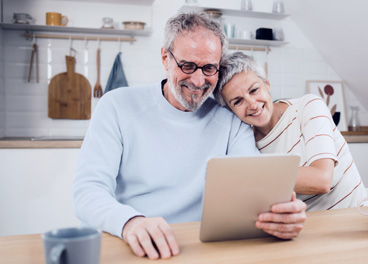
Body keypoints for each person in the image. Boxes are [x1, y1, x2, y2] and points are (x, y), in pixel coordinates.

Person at [72, 12, 306, 260]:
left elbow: (255, 189)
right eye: (187, 66)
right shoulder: (116, 106)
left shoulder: (230, 121)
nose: (198, 80)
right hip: (132, 243)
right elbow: (88, 191)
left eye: (209, 68)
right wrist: (130, 222)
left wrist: (280, 215)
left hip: (200, 249)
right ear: (165, 58)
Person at [214, 52, 368, 211]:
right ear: (231, 111)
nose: (252, 104)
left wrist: (248, 176)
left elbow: (322, 180)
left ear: (267, 83)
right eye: (238, 101)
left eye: (254, 90)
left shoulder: (308, 107)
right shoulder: (245, 144)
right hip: (304, 229)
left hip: (355, 219)